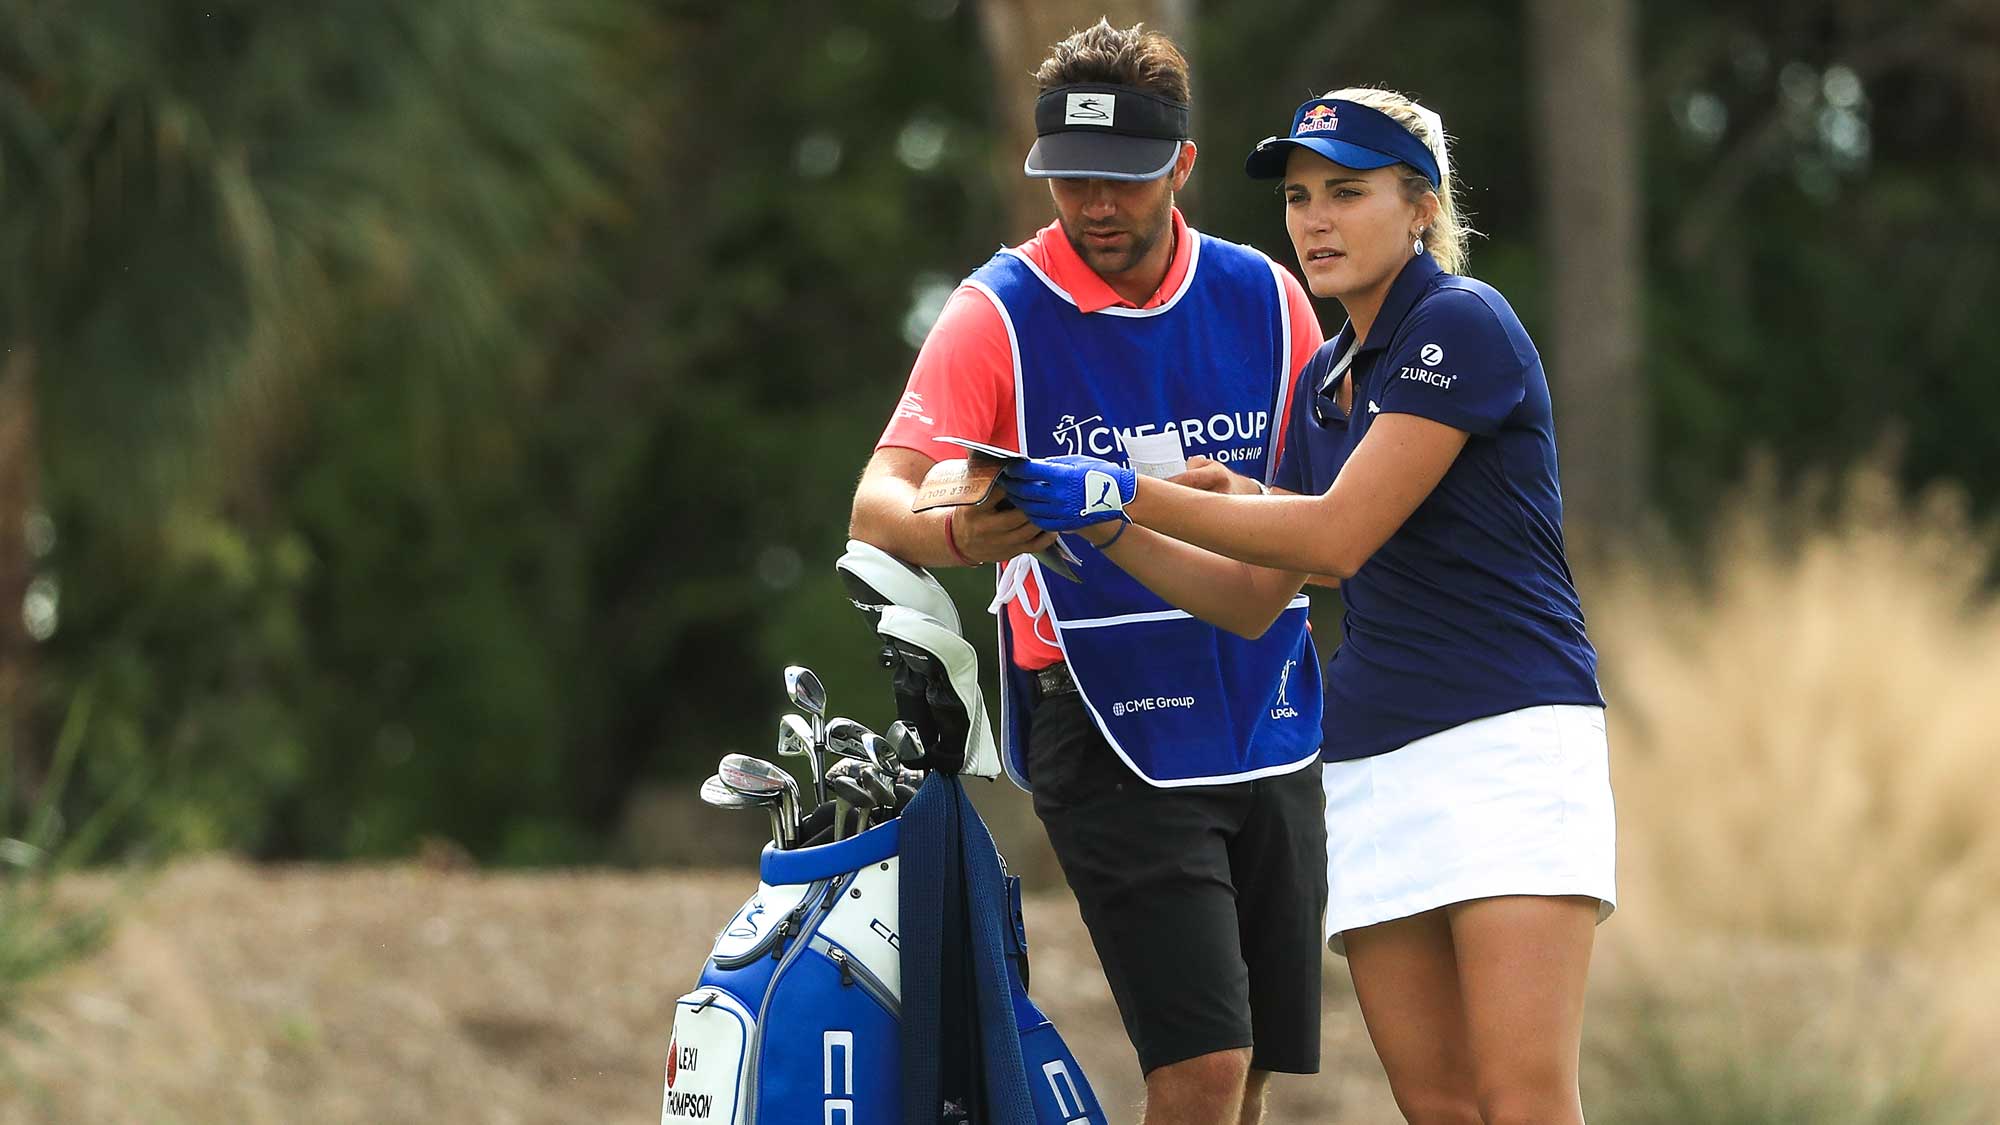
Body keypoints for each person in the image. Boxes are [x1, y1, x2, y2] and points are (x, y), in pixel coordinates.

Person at [998, 88, 1617, 1125]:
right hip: (1375, 760)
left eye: (1346, 192)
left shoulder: (1457, 323)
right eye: (1296, 198)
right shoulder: (1324, 378)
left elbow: (1334, 536)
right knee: (1439, 1104)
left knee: (1519, 1099)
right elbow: (1248, 600)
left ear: (1419, 207)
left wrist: (1123, 489)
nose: (1313, 221)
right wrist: (1104, 529)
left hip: (1508, 742)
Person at [847, 21, 1330, 1125]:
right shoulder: (995, 311)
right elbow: (881, 500)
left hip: (1266, 698)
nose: (1092, 205)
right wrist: (965, 535)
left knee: (1252, 1064)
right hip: (1101, 710)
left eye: (1121, 179)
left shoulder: (1266, 298)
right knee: (1200, 1065)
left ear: (1182, 168)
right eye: (1067, 178)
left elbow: (1326, 507)